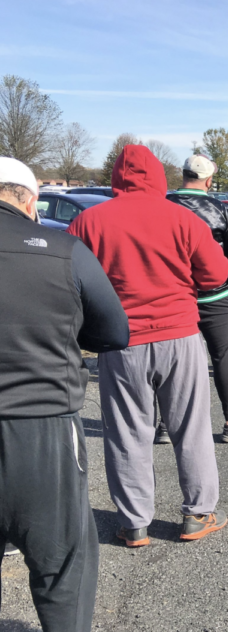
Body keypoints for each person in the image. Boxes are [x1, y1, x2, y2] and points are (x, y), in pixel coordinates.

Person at [68, 145, 228, 547]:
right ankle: (198, 512)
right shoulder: (182, 217)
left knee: (126, 432)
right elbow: (215, 274)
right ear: (159, 177)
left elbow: (71, 279)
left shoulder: (88, 221)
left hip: (120, 340)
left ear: (116, 178)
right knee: (191, 427)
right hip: (178, 333)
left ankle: (134, 521)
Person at [0, 157, 128, 631]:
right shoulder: (61, 249)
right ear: (31, 201)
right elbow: (114, 330)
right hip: (43, 426)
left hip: (41, 418)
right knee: (62, 572)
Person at [167, 155, 228, 443]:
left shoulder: (164, 205)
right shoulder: (220, 209)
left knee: (172, 362)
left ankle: (165, 424)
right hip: (216, 296)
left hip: (174, 296)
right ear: (209, 181)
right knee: (224, 359)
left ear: (182, 175)